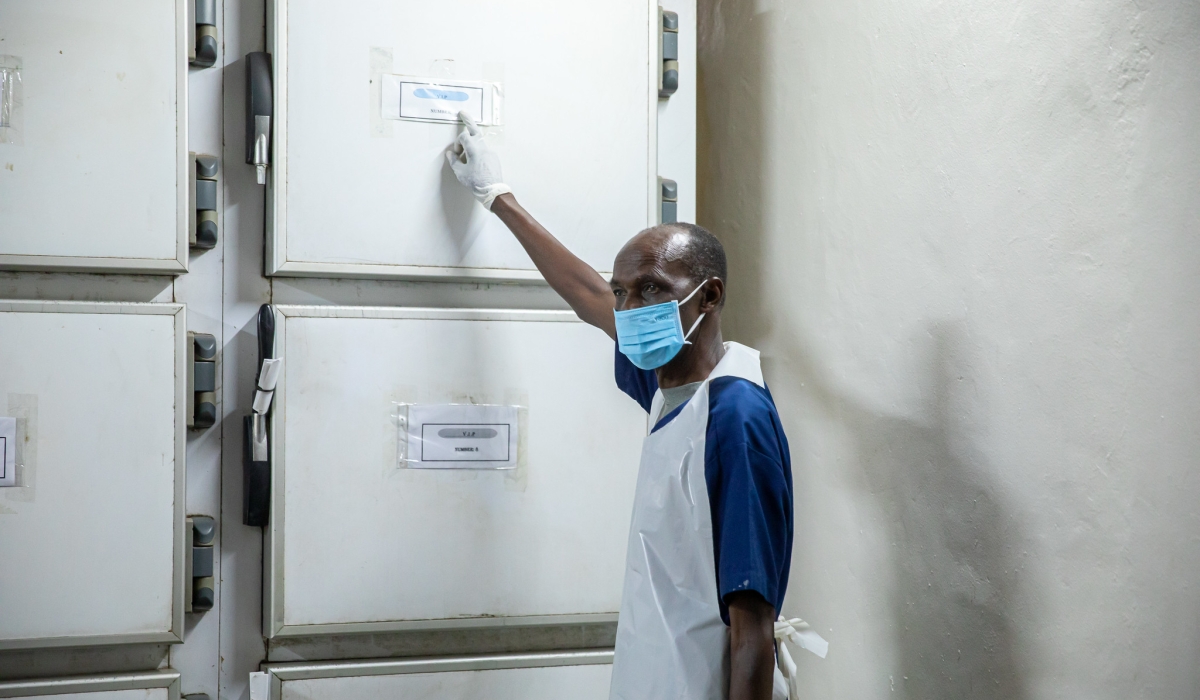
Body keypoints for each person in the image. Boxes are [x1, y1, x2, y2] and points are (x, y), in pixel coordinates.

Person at [447, 113, 799, 700]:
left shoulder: (736, 417)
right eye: (624, 292)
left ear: (708, 296)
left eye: (654, 289)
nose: (631, 308)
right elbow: (588, 295)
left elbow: (752, 635)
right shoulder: (669, 392)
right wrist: (497, 196)